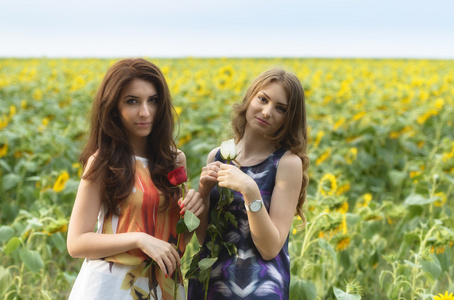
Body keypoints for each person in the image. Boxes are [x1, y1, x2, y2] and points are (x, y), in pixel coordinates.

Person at [67, 58, 204, 300]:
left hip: (163, 287)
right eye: (132, 101)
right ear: (112, 108)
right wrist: (139, 239)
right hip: (111, 287)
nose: (145, 112)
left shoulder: (174, 160)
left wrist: (195, 208)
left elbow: (174, 244)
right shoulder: (103, 161)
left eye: (153, 100)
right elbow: (77, 243)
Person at [188, 68, 309, 300]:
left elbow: (270, 248)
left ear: (289, 118)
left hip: (261, 289)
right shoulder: (218, 156)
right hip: (211, 285)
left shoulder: (286, 163)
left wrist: (250, 190)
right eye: (262, 99)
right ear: (250, 98)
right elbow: (206, 240)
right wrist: (203, 193)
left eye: (280, 108)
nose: (267, 111)